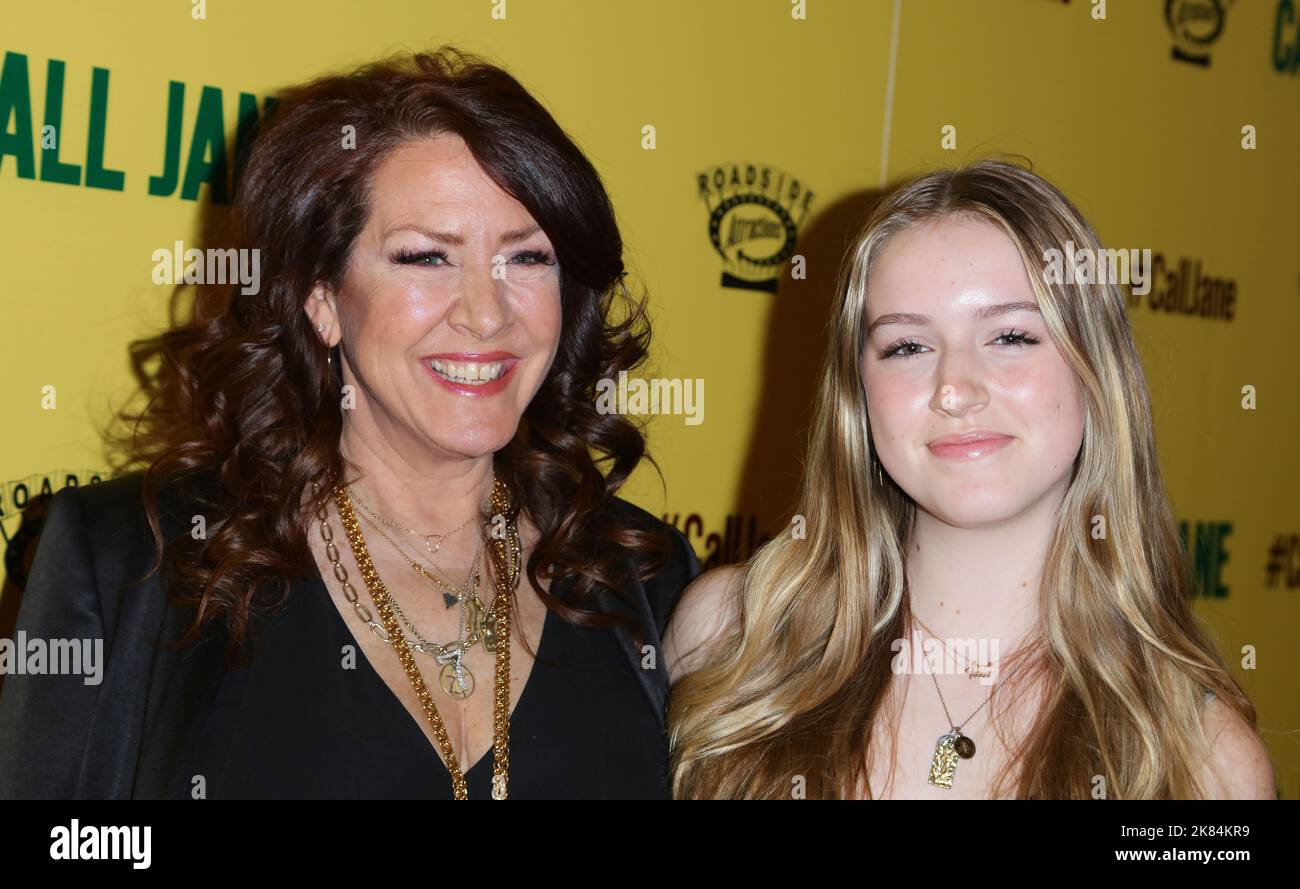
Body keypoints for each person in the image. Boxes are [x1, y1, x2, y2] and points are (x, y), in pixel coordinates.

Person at [0, 47, 697, 800]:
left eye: (527, 258)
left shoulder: (646, 582)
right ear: (321, 297)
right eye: (427, 257)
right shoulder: (131, 563)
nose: (487, 313)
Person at [663, 159, 1275, 799]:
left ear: (1096, 369)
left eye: (1010, 336)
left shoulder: (1202, 764)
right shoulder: (731, 639)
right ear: (858, 393)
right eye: (908, 347)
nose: (954, 389)